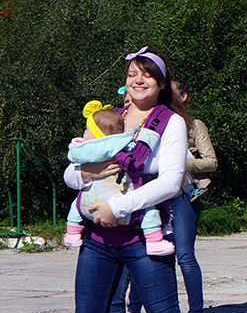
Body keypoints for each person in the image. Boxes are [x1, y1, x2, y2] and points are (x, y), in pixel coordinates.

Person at [65, 48, 224, 313]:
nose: (139, 80)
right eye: (133, 73)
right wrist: (87, 172)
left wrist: (116, 205)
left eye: (147, 75)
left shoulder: (169, 123)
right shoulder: (109, 118)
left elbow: (170, 182)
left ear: (161, 83)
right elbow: (73, 168)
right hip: (99, 241)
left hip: (145, 239)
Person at [121, 77, 218, 313]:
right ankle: (132, 309)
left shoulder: (192, 126)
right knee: (141, 252)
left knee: (184, 255)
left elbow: (211, 162)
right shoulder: (147, 120)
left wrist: (184, 163)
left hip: (183, 196)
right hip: (150, 196)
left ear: (183, 96)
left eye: (172, 94)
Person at [63, 101, 173, 256]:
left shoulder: (83, 149)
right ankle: (154, 241)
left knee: (77, 204)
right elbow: (69, 177)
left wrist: (86, 171)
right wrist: (150, 135)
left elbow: (71, 166)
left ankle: (73, 232)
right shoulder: (123, 142)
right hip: (127, 209)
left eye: (87, 130)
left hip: (90, 206)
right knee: (149, 211)